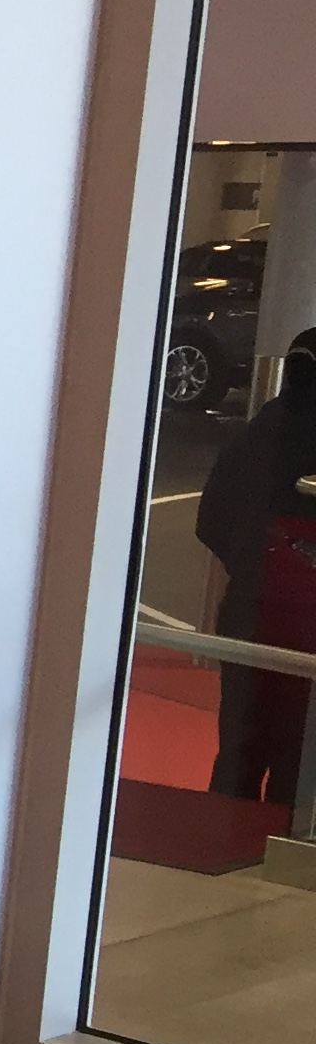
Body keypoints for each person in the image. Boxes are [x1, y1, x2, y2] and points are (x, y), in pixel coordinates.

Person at [197, 330, 316, 802]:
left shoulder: (258, 434)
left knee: (239, 752)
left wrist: (252, 565)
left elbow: (211, 521)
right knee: (299, 761)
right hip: (307, 625)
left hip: (250, 613)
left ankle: (220, 837)